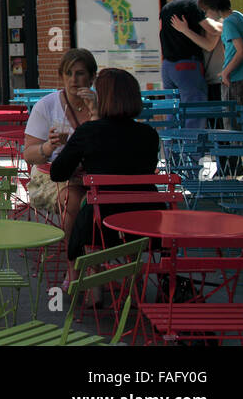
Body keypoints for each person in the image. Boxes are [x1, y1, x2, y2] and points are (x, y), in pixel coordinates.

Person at [50, 68, 162, 266]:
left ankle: (93, 282)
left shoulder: (90, 132)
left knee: (77, 202)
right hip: (148, 219)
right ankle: (128, 279)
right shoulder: (149, 134)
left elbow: (58, 172)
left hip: (102, 222)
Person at [22, 48, 98, 249]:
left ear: (91, 78)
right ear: (61, 77)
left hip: (95, 175)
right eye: (68, 73)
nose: (73, 79)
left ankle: (97, 262)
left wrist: (96, 114)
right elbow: (28, 155)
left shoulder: (102, 104)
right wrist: (48, 147)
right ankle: (74, 263)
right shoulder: (47, 106)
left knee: (100, 200)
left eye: (80, 73)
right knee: (76, 200)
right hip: (53, 177)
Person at [195, 0, 243, 105]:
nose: (206, 15)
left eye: (206, 11)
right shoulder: (240, 16)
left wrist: (225, 73)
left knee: (233, 121)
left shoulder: (228, 23)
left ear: (214, 8)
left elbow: (242, 51)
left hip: (236, 79)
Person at [159, 0, 211, 121]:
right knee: (195, 111)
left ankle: (171, 142)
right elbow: (212, 29)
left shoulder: (166, 8)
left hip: (167, 66)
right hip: (187, 65)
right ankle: (192, 143)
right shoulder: (192, 3)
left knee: (172, 110)